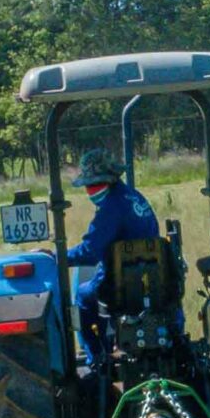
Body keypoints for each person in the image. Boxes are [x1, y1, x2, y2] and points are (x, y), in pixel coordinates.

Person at [67, 147, 159, 369]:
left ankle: (97, 356)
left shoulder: (111, 208)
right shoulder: (135, 197)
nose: (89, 191)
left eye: (91, 185)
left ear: (105, 182)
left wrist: (59, 257)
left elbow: (90, 251)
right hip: (154, 281)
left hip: (122, 284)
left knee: (83, 296)